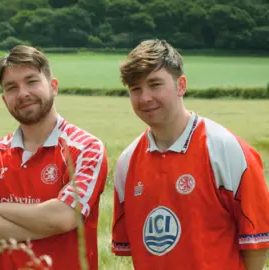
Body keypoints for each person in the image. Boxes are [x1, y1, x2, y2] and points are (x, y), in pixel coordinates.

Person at [111, 39, 269, 269]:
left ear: (181, 85)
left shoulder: (227, 149)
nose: (145, 97)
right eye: (136, 89)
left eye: (155, 84)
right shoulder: (126, 162)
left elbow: (256, 243)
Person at [0, 45, 108, 270]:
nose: (22, 93)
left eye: (31, 81)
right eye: (12, 87)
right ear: (4, 99)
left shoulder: (86, 148)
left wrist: (0, 208)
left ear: (53, 86)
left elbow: (64, 217)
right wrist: (47, 225)